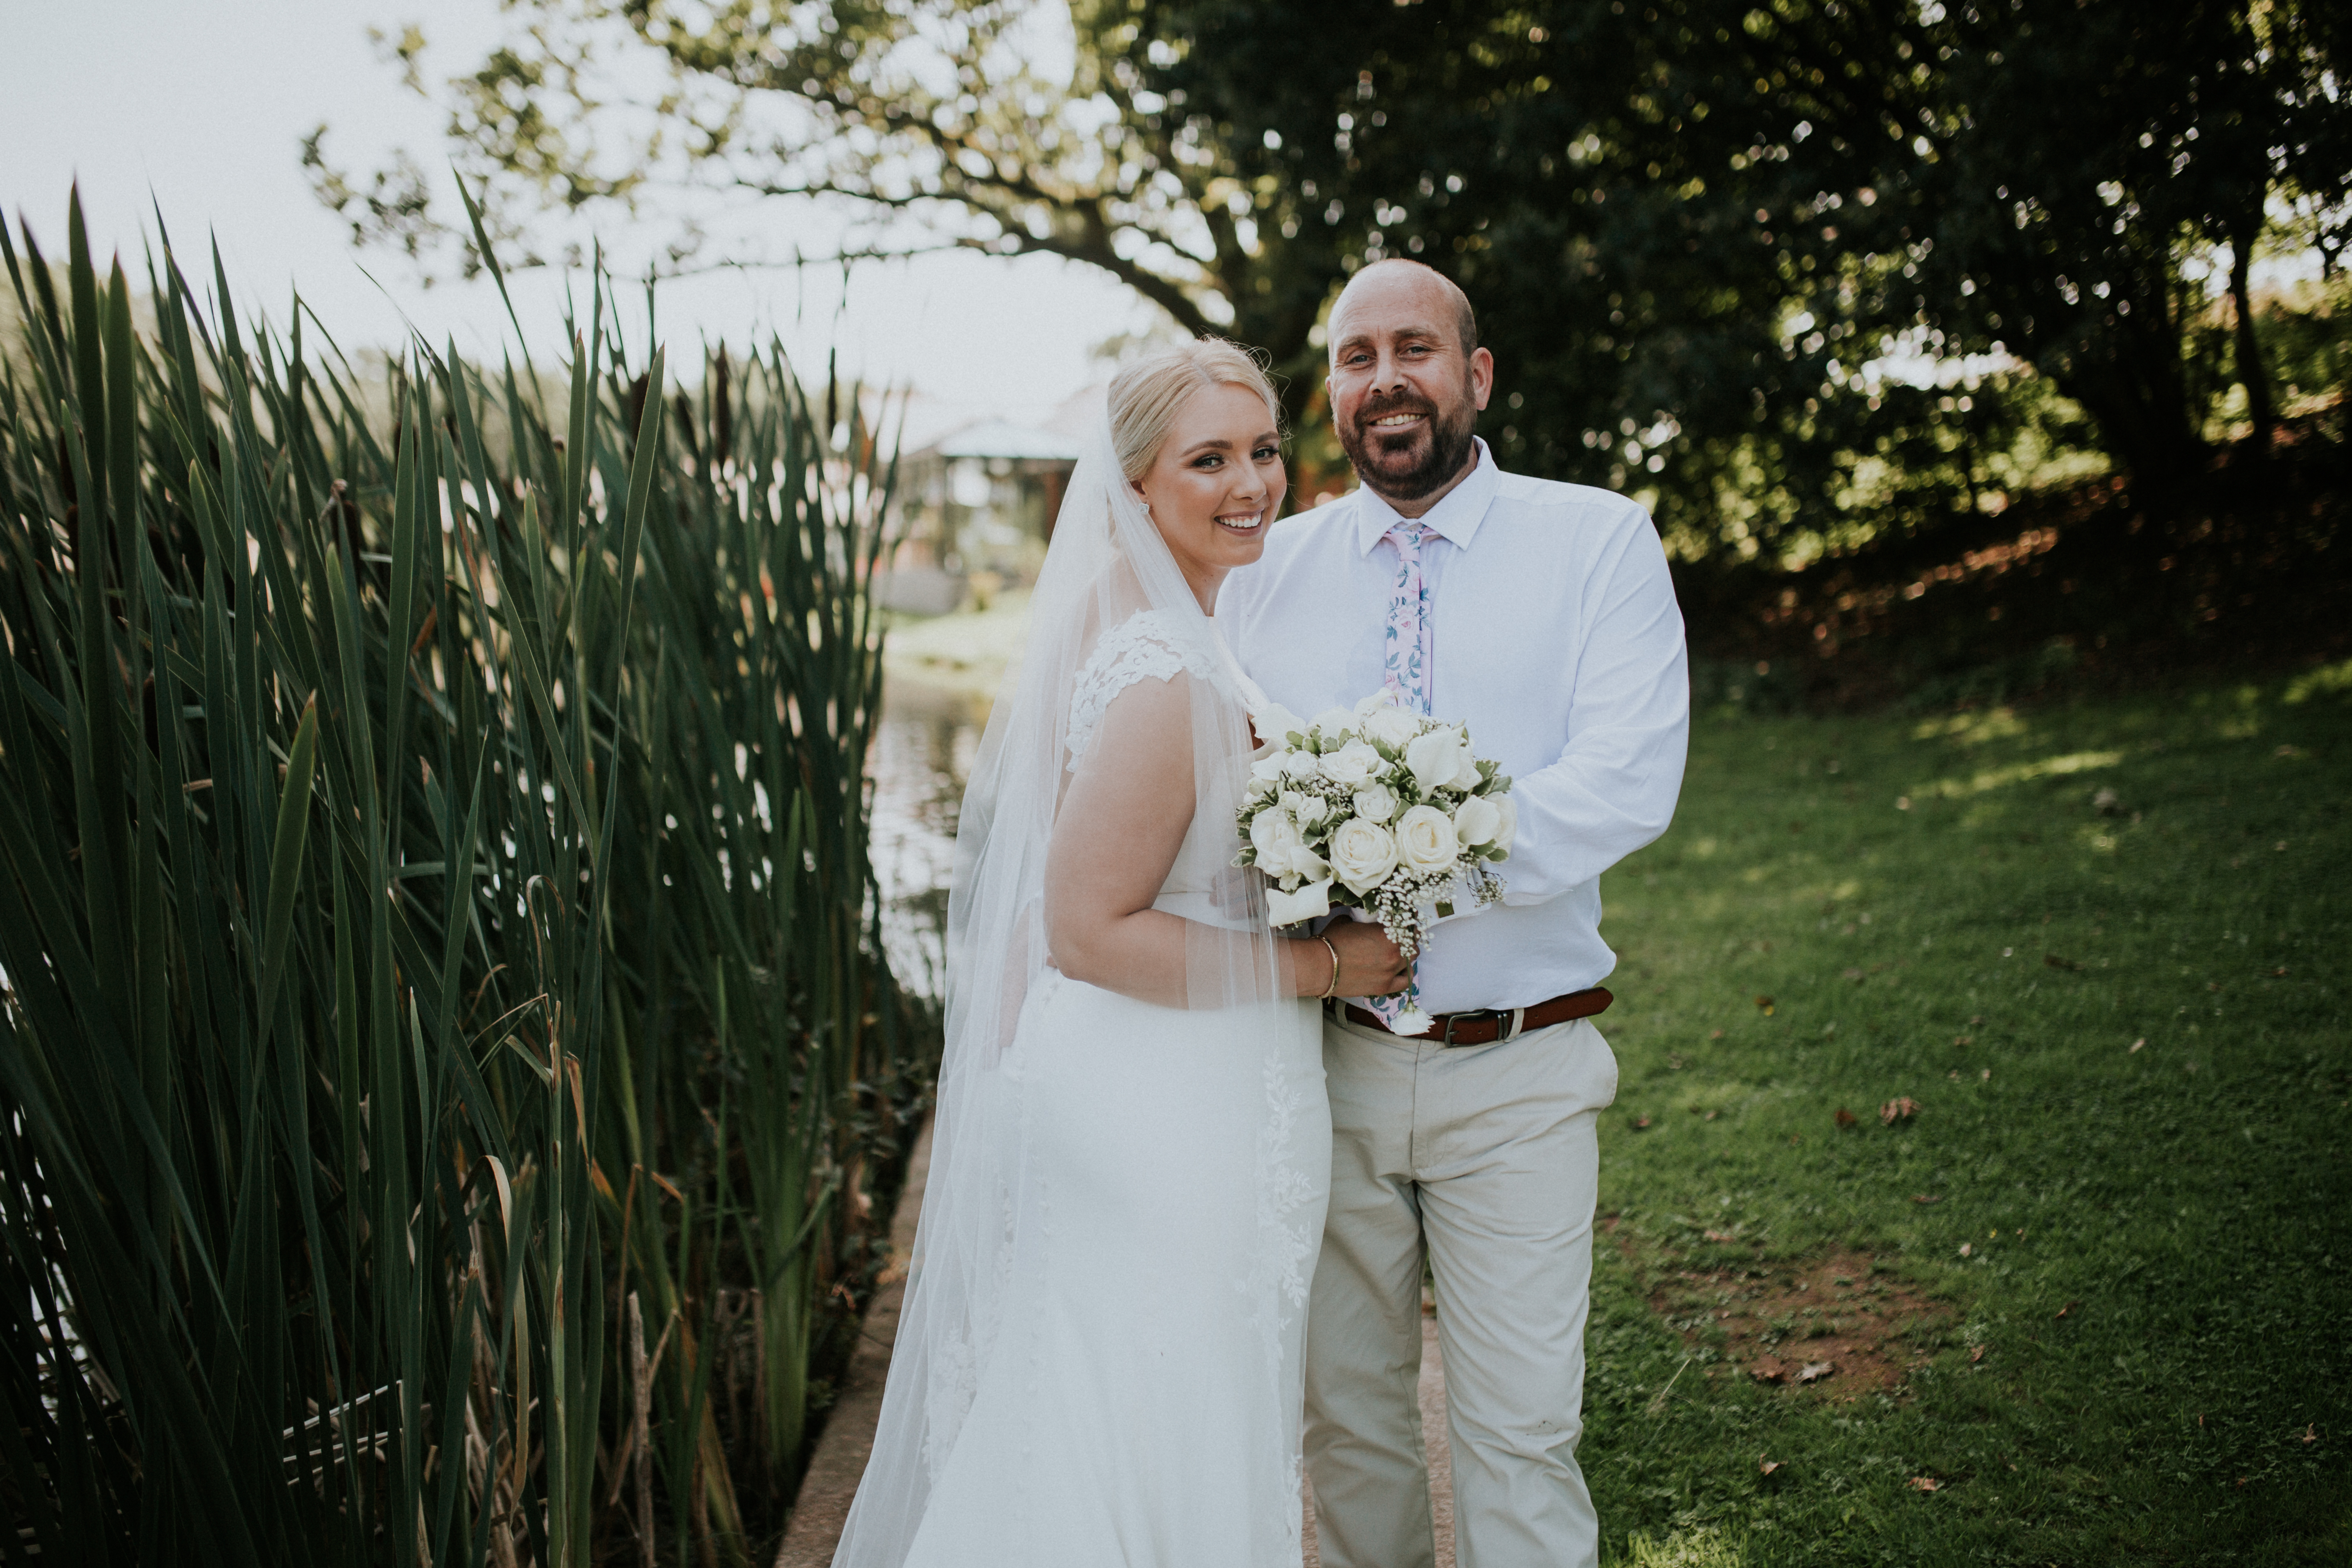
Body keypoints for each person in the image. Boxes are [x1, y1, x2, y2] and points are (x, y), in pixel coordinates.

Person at [832, 341, 1411, 1568]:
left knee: (1103, 1400)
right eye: (1206, 459)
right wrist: (1324, 965)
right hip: (1170, 1104)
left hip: (1142, 1084)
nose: (1250, 482)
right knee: (1164, 1411)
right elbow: (1086, 930)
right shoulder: (1169, 677)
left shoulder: (1132, 621)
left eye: (1260, 450)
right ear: (1134, 486)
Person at [1220, 260, 1691, 1568]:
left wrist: (1409, 861)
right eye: (1355, 357)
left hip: (1520, 1067)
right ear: (1332, 395)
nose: (1385, 380)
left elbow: (1621, 786)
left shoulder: (1596, 539)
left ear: (1474, 376)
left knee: (1520, 1435)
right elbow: (1220, 793)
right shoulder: (1268, 569)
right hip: (1320, 1070)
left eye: (1412, 349)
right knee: (1350, 1433)